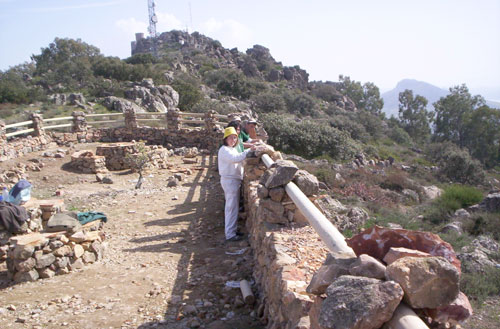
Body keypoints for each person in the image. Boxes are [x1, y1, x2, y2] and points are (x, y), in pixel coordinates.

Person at [218, 127, 255, 242]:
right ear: (225, 139)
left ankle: (232, 231)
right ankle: (230, 234)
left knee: (232, 208)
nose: (233, 140)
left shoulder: (230, 149)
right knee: (231, 208)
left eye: (234, 138)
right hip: (230, 181)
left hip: (233, 181)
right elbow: (236, 159)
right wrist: (249, 150)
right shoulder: (224, 150)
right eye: (230, 138)